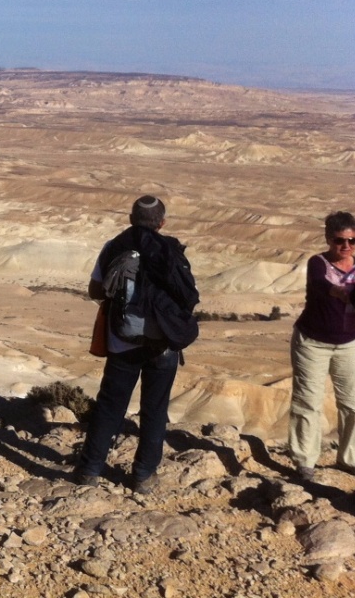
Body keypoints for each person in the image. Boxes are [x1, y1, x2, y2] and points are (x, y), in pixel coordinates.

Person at [75, 195, 199, 494]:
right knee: (154, 410)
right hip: (164, 345)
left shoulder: (115, 247)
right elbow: (187, 296)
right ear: (162, 222)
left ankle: (90, 470)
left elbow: (95, 291)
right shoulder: (172, 250)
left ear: (131, 219)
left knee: (110, 407)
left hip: (122, 343)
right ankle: (143, 476)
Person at [286, 211, 355, 481]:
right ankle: (305, 460)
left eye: (352, 240)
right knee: (308, 402)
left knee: (354, 404)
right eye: (339, 241)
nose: (346, 246)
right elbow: (322, 284)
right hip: (313, 343)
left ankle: (350, 457)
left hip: (350, 343)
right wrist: (341, 292)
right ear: (328, 239)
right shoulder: (318, 263)